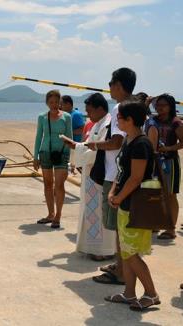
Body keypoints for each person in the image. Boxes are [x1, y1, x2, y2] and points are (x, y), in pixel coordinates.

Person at [105, 101, 160, 311]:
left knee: (131, 253)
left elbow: (136, 178)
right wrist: (113, 192)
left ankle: (151, 293)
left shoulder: (141, 144)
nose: (117, 120)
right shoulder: (129, 140)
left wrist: (118, 198)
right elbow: (122, 173)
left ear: (129, 120)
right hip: (125, 203)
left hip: (136, 205)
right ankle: (129, 293)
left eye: (119, 117)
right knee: (126, 251)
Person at [86, 67, 135, 285]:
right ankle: (120, 265)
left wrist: (94, 145)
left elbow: (116, 141)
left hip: (116, 173)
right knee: (120, 226)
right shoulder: (135, 104)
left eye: (110, 83)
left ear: (118, 85)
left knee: (117, 226)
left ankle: (121, 273)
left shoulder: (119, 108)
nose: (109, 87)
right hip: (125, 172)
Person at [64, 93, 116, 261]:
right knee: (91, 211)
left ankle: (104, 250)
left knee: (100, 213)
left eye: (90, 111)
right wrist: (77, 146)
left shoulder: (107, 125)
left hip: (99, 174)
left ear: (100, 108)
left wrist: (77, 147)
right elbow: (89, 145)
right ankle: (93, 247)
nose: (88, 114)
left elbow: (98, 149)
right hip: (90, 174)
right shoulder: (96, 124)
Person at [145, 94, 182, 240]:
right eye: (158, 105)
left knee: (171, 195)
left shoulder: (176, 122)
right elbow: (141, 114)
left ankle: (171, 228)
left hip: (170, 163)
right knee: (155, 194)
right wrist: (147, 102)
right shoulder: (153, 120)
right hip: (155, 163)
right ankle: (156, 224)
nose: (160, 107)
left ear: (171, 106)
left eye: (163, 105)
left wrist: (168, 148)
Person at [34, 90, 72, 228]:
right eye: (51, 102)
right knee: (48, 184)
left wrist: (70, 158)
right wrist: (35, 157)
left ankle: (58, 215)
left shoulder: (67, 117)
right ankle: (50, 214)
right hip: (45, 153)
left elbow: (70, 138)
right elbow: (39, 137)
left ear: (60, 102)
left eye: (56, 102)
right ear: (47, 103)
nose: (54, 105)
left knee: (59, 185)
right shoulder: (42, 117)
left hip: (62, 154)